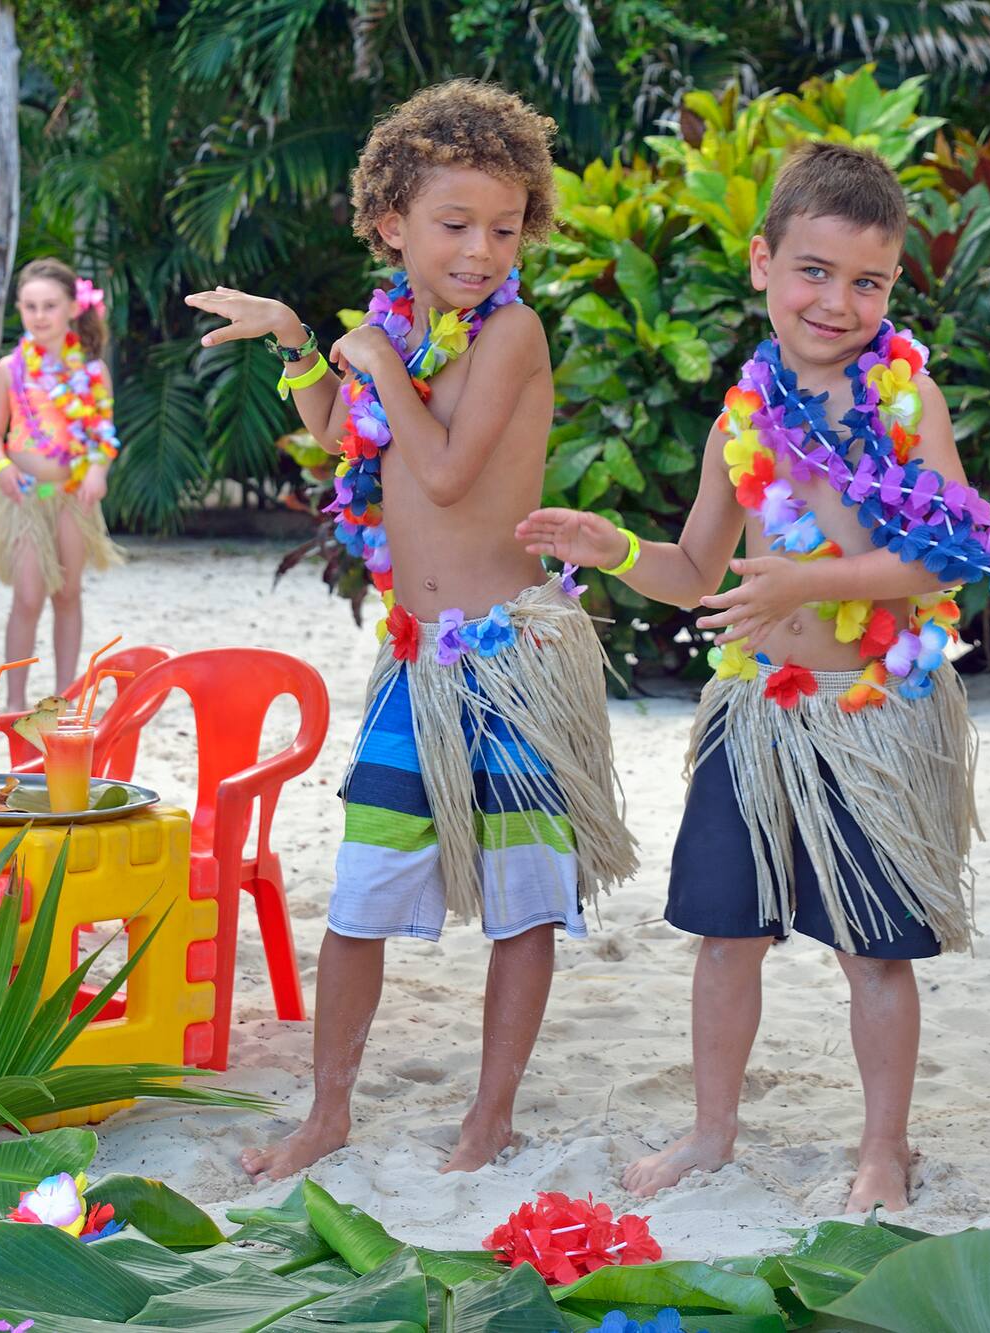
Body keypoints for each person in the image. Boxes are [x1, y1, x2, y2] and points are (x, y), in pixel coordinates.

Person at [520, 142, 990, 1208]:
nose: (835, 301)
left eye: (866, 281)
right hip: (754, 713)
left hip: (871, 711)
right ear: (761, 262)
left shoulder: (903, 402)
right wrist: (610, 546)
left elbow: (948, 554)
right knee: (723, 934)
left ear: (890, 287)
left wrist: (806, 581)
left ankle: (881, 1147)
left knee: (873, 951)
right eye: (812, 270)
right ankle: (711, 1129)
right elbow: (694, 570)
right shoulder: (739, 421)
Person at [185, 79, 636, 1180]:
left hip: (511, 662)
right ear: (392, 226)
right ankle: (326, 1110)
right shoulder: (395, 326)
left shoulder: (511, 332)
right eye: (453, 226)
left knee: (522, 904)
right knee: (359, 896)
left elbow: (439, 466)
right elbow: (348, 434)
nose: (480, 249)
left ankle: (489, 1116)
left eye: (501, 226)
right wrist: (301, 339)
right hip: (415, 665)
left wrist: (374, 357)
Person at [0, 259, 121, 710]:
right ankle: (15, 701)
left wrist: (98, 469)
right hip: (24, 497)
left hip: (72, 496)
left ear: (72, 309)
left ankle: (64, 697)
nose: (40, 316)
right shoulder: (10, 369)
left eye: (50, 306)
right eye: (30, 307)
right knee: (28, 594)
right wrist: (1, 467)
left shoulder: (92, 371)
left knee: (68, 591)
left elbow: (102, 433)